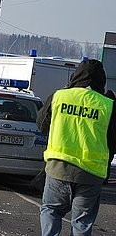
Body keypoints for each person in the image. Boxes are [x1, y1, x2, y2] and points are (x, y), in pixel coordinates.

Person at [36, 59, 116, 236]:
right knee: (82, 223)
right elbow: (113, 140)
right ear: (101, 80)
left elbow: (41, 124)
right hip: (91, 173)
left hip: (58, 167)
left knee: (51, 210)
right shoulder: (107, 105)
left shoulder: (59, 96)